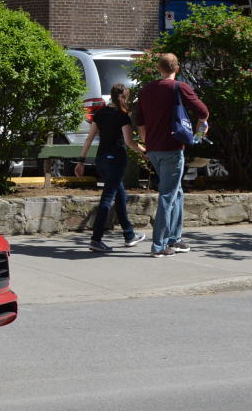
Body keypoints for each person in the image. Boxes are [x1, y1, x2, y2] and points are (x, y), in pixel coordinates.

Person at [134, 52, 209, 258]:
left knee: (177, 193)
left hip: (154, 150)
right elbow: (203, 111)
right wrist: (201, 127)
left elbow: (140, 122)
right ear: (177, 68)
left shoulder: (147, 90)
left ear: (159, 68)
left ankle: (175, 239)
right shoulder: (179, 87)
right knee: (168, 195)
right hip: (172, 149)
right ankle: (159, 245)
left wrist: (148, 143)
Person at [74, 83, 148, 253]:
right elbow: (129, 142)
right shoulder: (123, 116)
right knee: (107, 199)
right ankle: (96, 239)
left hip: (101, 160)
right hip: (116, 160)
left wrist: (81, 161)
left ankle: (129, 235)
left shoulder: (100, 113)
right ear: (124, 97)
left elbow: (89, 139)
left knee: (120, 196)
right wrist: (146, 151)